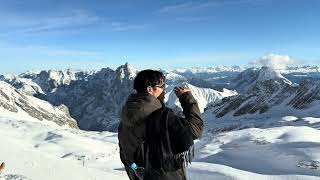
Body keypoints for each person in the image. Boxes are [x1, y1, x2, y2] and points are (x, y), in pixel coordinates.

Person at [118, 70, 203, 180]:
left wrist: (136, 168)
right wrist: (186, 98)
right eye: (162, 86)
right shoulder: (161, 116)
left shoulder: (125, 117)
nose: (164, 89)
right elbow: (195, 129)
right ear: (150, 90)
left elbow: (125, 154)